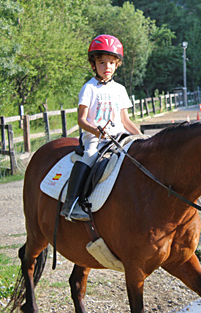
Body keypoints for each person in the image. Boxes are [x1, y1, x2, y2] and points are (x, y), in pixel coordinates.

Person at [60, 34, 142, 222]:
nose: (107, 67)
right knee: (89, 156)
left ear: (117, 64)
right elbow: (81, 120)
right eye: (102, 63)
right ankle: (72, 204)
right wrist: (95, 131)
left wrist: (141, 137)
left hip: (118, 136)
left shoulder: (119, 89)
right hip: (94, 138)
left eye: (112, 63)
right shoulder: (89, 88)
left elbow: (125, 120)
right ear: (93, 65)